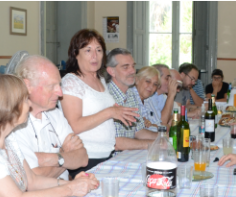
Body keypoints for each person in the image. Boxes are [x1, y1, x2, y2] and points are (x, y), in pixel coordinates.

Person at [60, 29, 138, 170]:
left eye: (99, 50)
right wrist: (110, 112)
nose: (94, 56)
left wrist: (120, 112)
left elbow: (103, 113)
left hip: (107, 153)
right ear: (75, 54)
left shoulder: (100, 79)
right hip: (86, 157)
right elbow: (74, 125)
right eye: (88, 50)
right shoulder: (71, 82)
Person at [10, 55, 88, 180]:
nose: (60, 93)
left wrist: (49, 158)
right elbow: (34, 178)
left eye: (59, 85)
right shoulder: (13, 122)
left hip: (62, 191)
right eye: (52, 86)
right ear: (27, 86)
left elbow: (83, 157)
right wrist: (64, 154)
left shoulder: (54, 113)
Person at [106, 48, 158, 150]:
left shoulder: (131, 94)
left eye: (133, 66)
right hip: (112, 159)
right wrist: (155, 144)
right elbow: (113, 142)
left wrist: (165, 137)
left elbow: (138, 131)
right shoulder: (105, 96)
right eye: (125, 67)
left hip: (128, 155)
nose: (133, 71)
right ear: (111, 71)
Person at [133, 66, 161, 130]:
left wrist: (151, 124)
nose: (151, 86)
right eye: (148, 81)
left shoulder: (149, 99)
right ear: (137, 80)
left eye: (155, 84)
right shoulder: (129, 97)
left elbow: (158, 125)